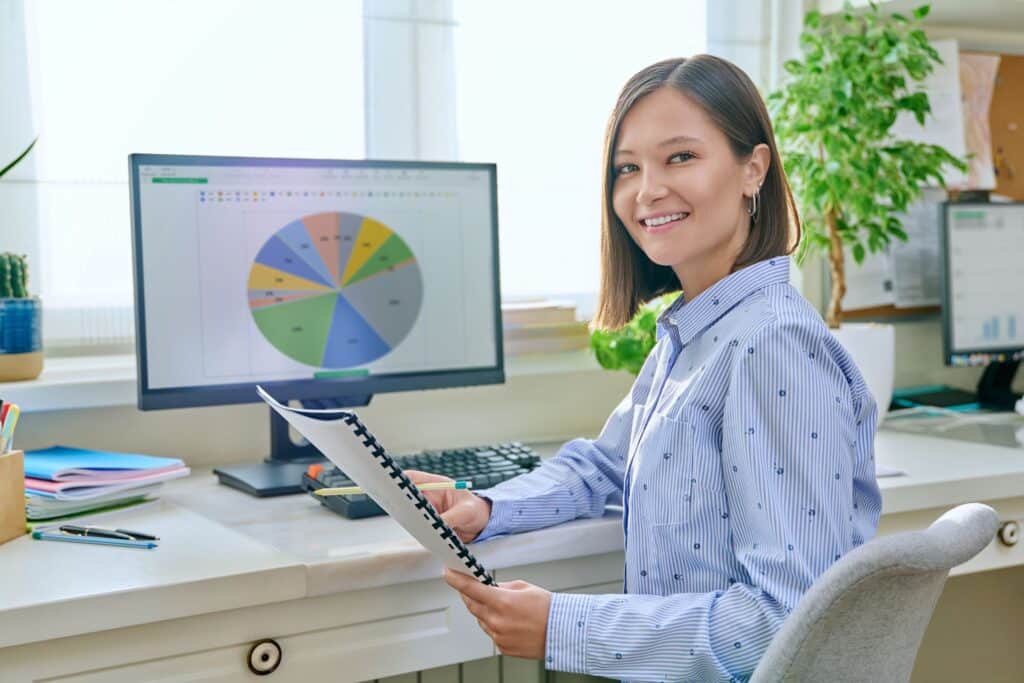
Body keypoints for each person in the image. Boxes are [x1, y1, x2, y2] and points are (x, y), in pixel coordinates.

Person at [408, 54, 881, 682]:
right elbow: (603, 464)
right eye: (627, 168)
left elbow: (784, 618)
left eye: (679, 157)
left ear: (753, 169)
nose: (647, 190)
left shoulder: (769, 346)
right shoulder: (701, 328)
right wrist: (488, 506)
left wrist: (561, 627)